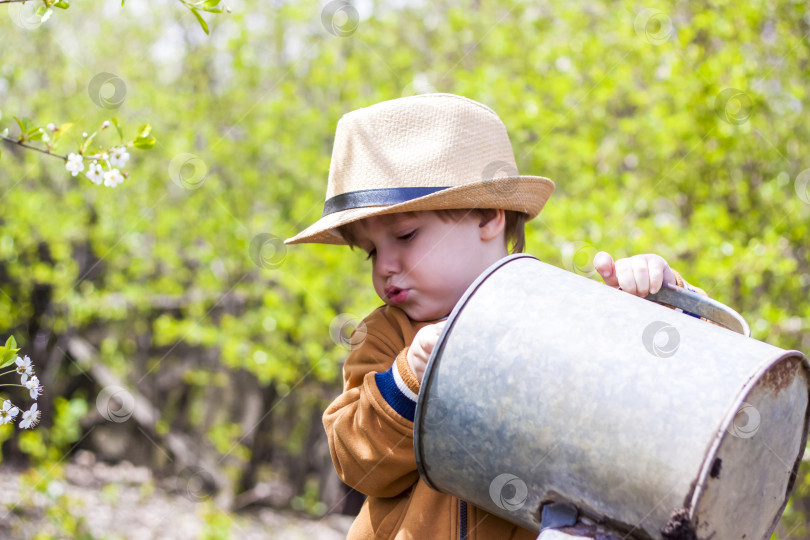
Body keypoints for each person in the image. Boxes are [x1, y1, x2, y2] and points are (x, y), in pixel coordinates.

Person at [285, 93, 705, 539]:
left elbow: (675, 402)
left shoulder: (562, 313)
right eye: (371, 252)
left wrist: (662, 301)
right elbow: (358, 463)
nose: (384, 265)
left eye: (405, 235)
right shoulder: (386, 335)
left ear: (488, 216)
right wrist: (408, 378)